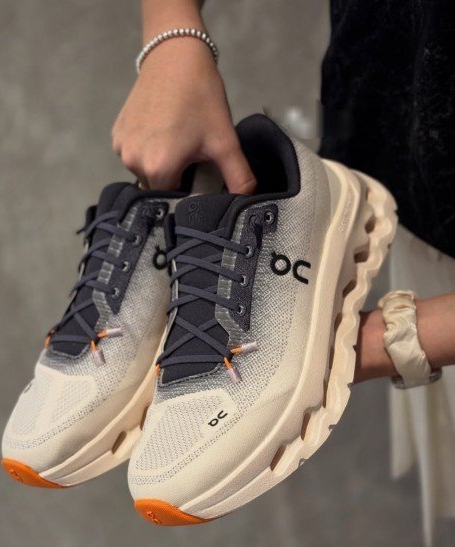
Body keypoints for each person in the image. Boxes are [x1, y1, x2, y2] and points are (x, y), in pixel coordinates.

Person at [111, 0, 455, 543]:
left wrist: (395, 338)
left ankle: (293, 244)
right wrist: (170, 35)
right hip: (417, 178)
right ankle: (289, 210)